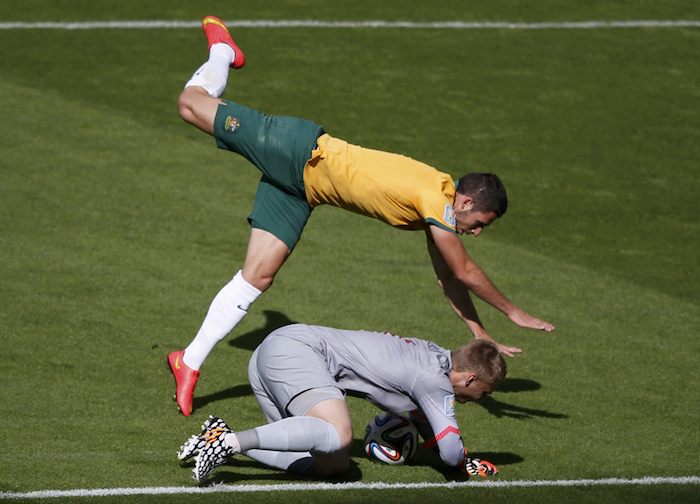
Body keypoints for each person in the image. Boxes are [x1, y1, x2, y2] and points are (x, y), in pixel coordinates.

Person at [168, 16, 554, 417]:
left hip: (302, 191)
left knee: (258, 277)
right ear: (467, 202)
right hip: (294, 149)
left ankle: (188, 362)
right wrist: (513, 311)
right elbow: (465, 271)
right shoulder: (435, 199)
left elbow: (449, 279)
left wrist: (477, 329)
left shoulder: (437, 213)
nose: (476, 232)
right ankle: (222, 50)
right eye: (480, 224)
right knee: (189, 104)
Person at [177, 324, 506, 483]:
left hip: (273, 351)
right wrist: (462, 463)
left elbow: (425, 422)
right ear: (471, 379)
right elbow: (449, 452)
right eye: (485, 393)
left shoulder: (432, 355)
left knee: (333, 464)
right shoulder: (435, 381)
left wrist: (459, 458)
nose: (480, 400)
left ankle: (220, 435)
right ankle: (230, 444)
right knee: (340, 433)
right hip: (297, 352)